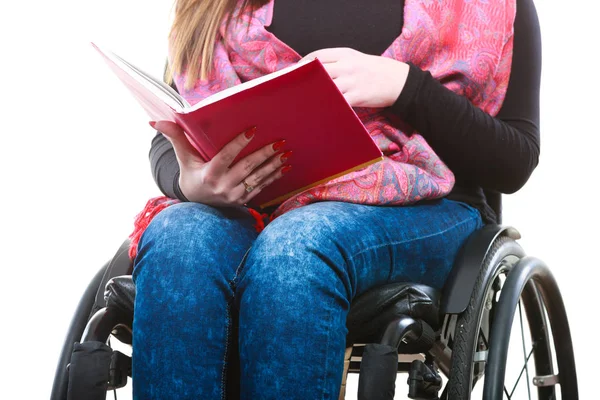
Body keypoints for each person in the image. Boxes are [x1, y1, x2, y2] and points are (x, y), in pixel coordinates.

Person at [130, 0, 541, 398]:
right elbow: (174, 132)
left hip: (426, 209)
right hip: (254, 205)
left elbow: (514, 159)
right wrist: (191, 184)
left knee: (298, 246)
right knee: (178, 238)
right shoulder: (215, 5)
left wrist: (406, 86)